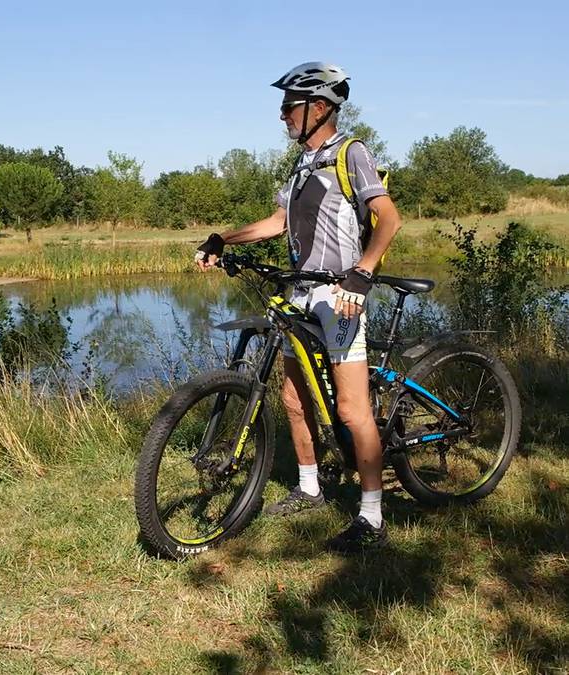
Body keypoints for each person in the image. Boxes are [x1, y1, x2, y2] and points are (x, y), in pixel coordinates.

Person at [195, 62, 403, 554]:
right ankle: (310, 487)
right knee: (293, 398)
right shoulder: (301, 165)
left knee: (352, 409)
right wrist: (224, 237)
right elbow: (278, 221)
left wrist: (364, 271)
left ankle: (372, 515)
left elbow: (389, 217)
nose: (282, 114)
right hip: (301, 294)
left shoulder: (351, 154)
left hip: (340, 296)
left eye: (290, 105)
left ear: (320, 109)